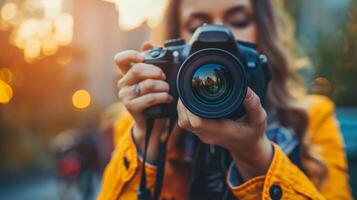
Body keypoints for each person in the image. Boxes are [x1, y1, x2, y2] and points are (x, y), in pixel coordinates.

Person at [98, 0, 352, 199]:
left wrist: (255, 155)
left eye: (238, 20)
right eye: (197, 25)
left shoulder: (310, 120)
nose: (219, 35)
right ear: (175, 42)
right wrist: (146, 141)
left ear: (263, 30)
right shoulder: (141, 123)